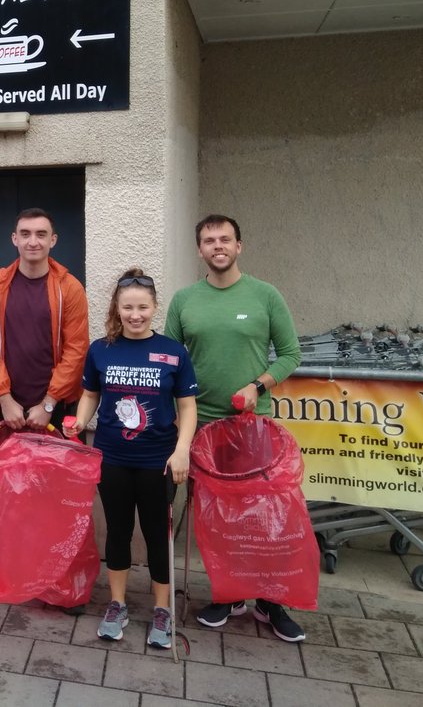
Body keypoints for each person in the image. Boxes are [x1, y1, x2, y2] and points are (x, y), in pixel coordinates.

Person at [163, 213, 304, 642]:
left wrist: (257, 385)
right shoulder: (185, 300)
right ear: (200, 250)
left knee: (263, 519)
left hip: (252, 428)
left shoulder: (265, 295)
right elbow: (169, 361)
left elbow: (291, 354)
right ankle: (228, 595)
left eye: (225, 239)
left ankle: (269, 602)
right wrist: (173, 422)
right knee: (216, 520)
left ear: (239, 246)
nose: (217, 246)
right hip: (200, 429)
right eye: (209, 240)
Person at [67, 269, 197, 649]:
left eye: (142, 307)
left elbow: (187, 407)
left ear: (155, 307)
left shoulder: (174, 352)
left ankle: (161, 609)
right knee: (119, 532)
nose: (135, 314)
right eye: (128, 307)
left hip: (159, 460)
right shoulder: (100, 350)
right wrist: (80, 422)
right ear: (117, 309)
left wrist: (182, 449)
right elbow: (90, 394)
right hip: (113, 458)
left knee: (157, 535)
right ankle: (118, 603)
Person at [0, 208, 89, 430]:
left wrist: (49, 403)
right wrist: (5, 399)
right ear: (15, 239)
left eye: (41, 234)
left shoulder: (70, 288)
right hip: (7, 408)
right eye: (25, 234)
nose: (33, 242)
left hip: (56, 406)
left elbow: (76, 350)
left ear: (53, 240)